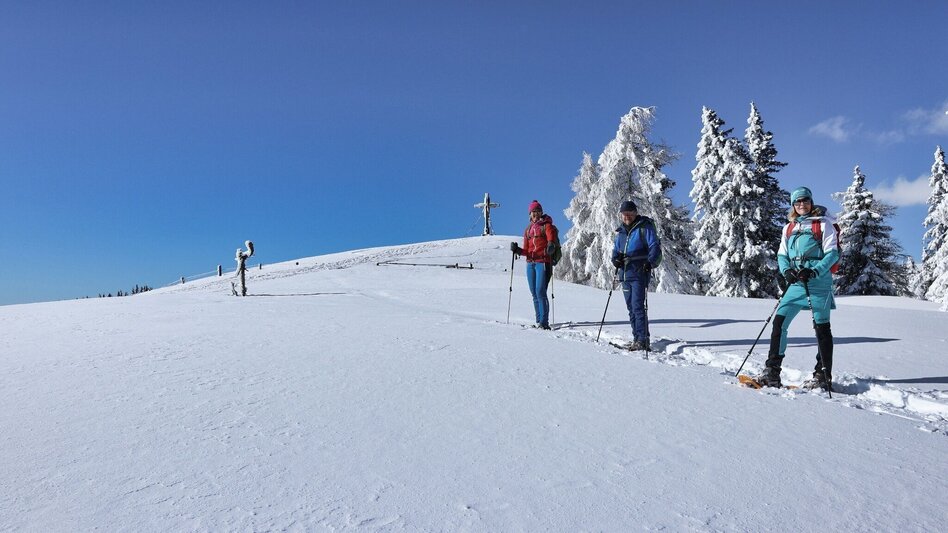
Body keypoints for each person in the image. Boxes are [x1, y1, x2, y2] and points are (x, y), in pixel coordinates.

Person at [758, 186, 839, 390]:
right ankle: (772, 372)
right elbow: (782, 255)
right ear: (793, 205)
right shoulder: (789, 227)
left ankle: (822, 375)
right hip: (795, 282)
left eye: (805, 200)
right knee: (779, 322)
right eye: (797, 202)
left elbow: (832, 254)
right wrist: (786, 271)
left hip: (818, 283)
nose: (801, 204)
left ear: (811, 202)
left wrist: (814, 271)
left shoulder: (823, 224)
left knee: (821, 328)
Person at [610, 200, 662, 350]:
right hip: (625, 274)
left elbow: (654, 247)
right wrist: (616, 259)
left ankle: (643, 339)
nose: (627, 216)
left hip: (639, 272)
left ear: (635, 213)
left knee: (638, 307)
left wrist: (649, 262)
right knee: (630, 307)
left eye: (630, 213)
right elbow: (615, 251)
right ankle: (636, 338)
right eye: (624, 214)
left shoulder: (644, 227)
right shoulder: (620, 232)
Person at [510, 200, 558, 330]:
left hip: (542, 262)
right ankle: (538, 321)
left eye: (537, 211)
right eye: (533, 212)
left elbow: (551, 238)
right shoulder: (527, 230)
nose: (535, 214)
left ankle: (544, 322)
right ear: (530, 214)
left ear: (541, 212)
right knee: (534, 293)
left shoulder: (546, 225)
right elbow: (526, 250)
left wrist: (550, 245)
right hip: (530, 264)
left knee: (540, 291)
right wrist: (517, 250)